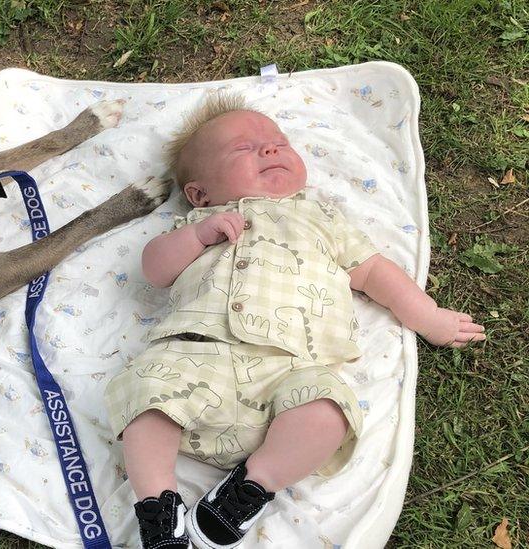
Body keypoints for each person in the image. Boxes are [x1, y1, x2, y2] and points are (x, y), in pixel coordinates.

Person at [104, 93, 486, 549]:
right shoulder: (202, 221)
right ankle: (158, 508)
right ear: (198, 193)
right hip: (194, 359)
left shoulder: (321, 217)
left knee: (330, 411)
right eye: (244, 149)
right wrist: (197, 236)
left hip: (291, 371)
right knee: (144, 391)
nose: (269, 150)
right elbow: (155, 269)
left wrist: (427, 316)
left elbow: (373, 271)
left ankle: (250, 487)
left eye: (277, 143)